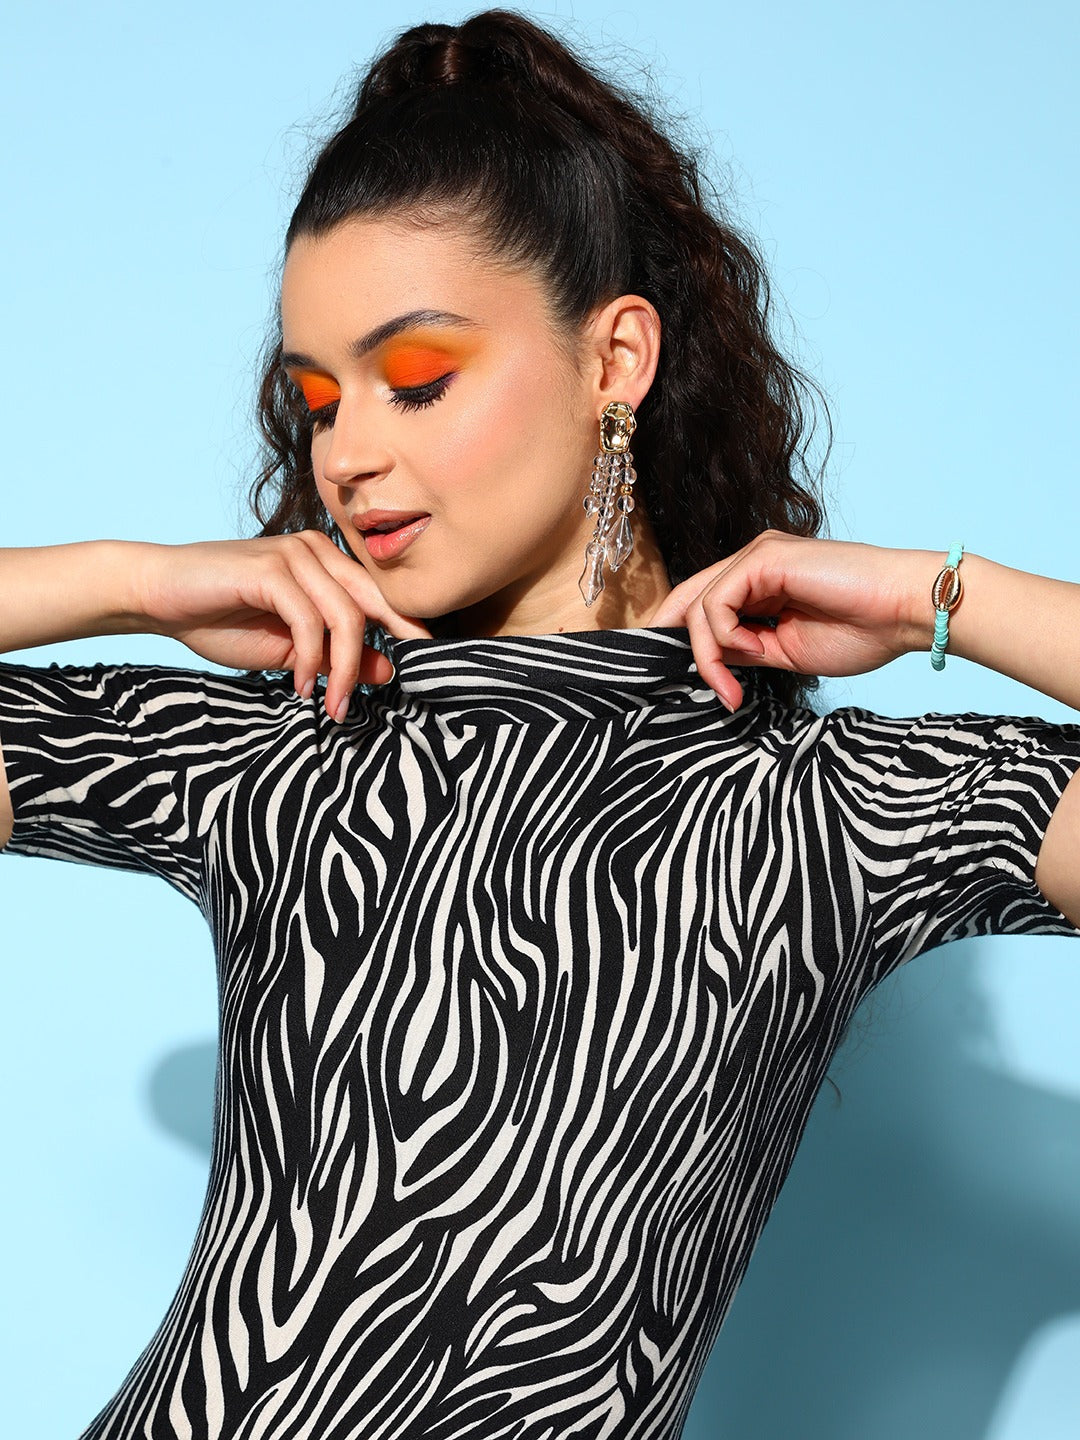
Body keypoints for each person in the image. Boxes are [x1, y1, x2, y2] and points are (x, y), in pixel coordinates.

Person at [1, 8, 1078, 1437]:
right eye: (316, 403)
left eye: (418, 380)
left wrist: (942, 595)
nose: (347, 454)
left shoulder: (826, 812)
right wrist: (129, 583)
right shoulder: (271, 754)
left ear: (615, 357)